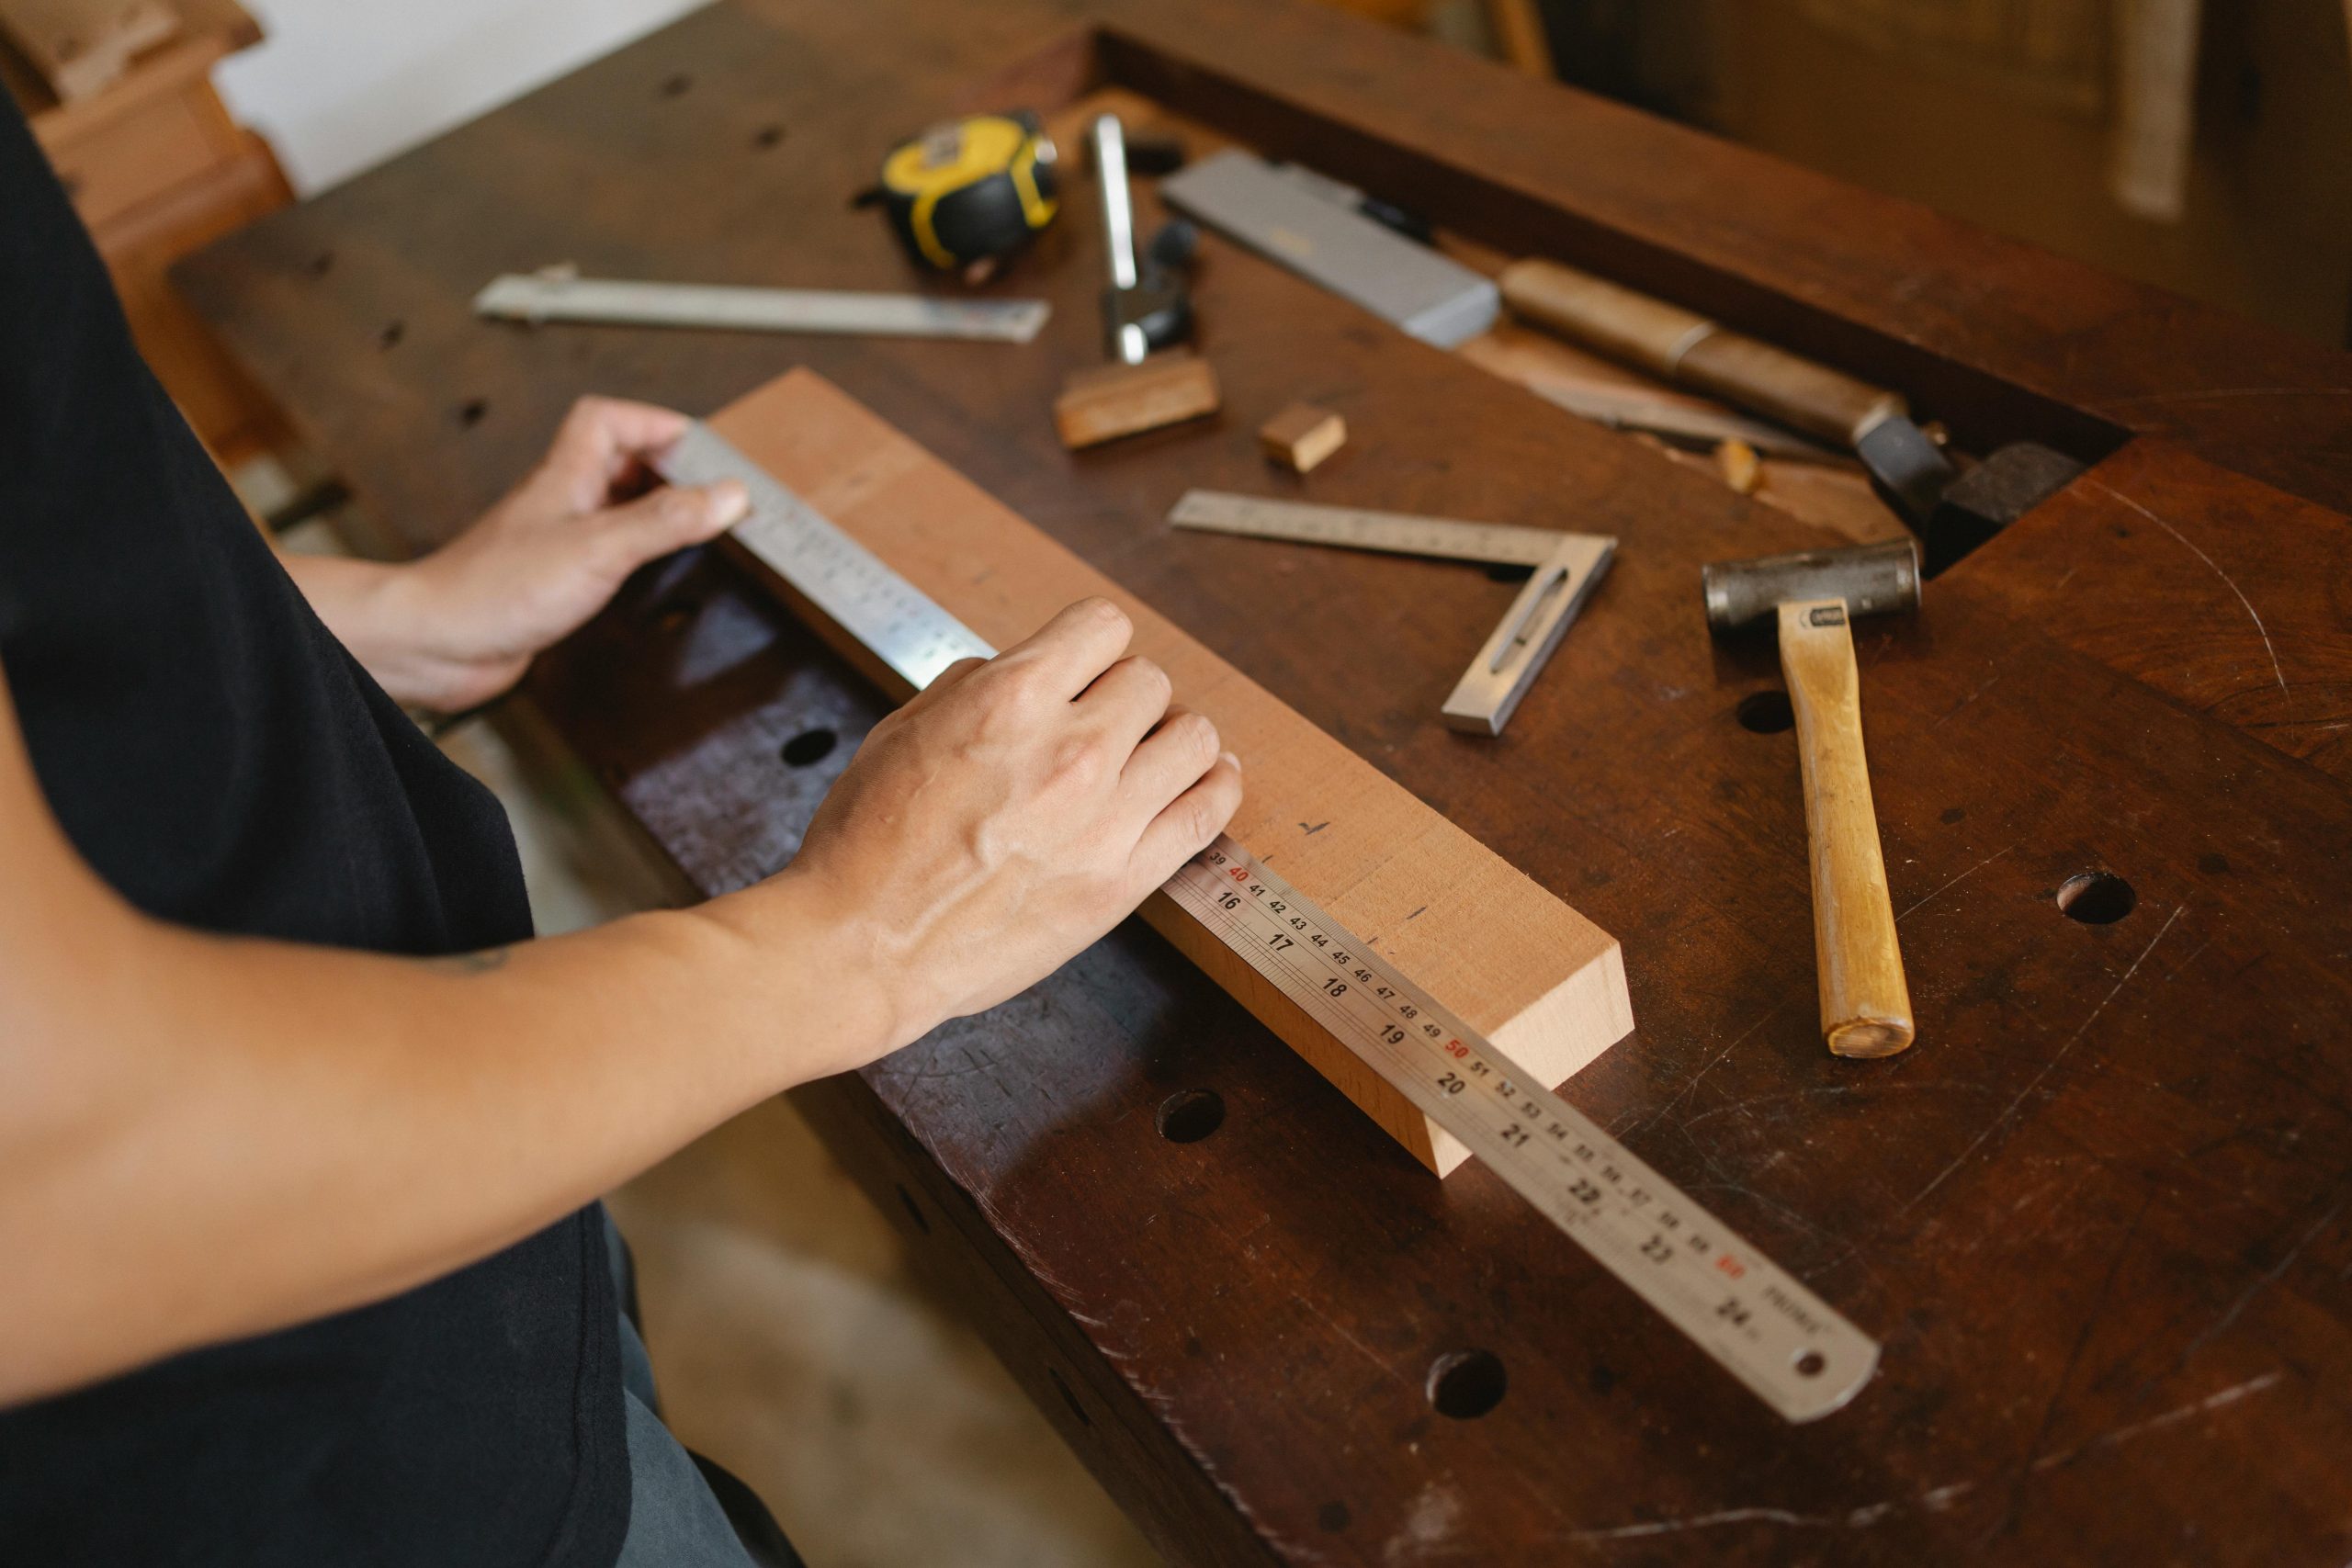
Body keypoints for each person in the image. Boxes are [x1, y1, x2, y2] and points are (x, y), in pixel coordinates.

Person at [0, 96, 1241, 1566]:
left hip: (452, 1156)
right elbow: (65, 1177)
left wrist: (375, 620)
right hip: (302, 1462)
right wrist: (854, 941)